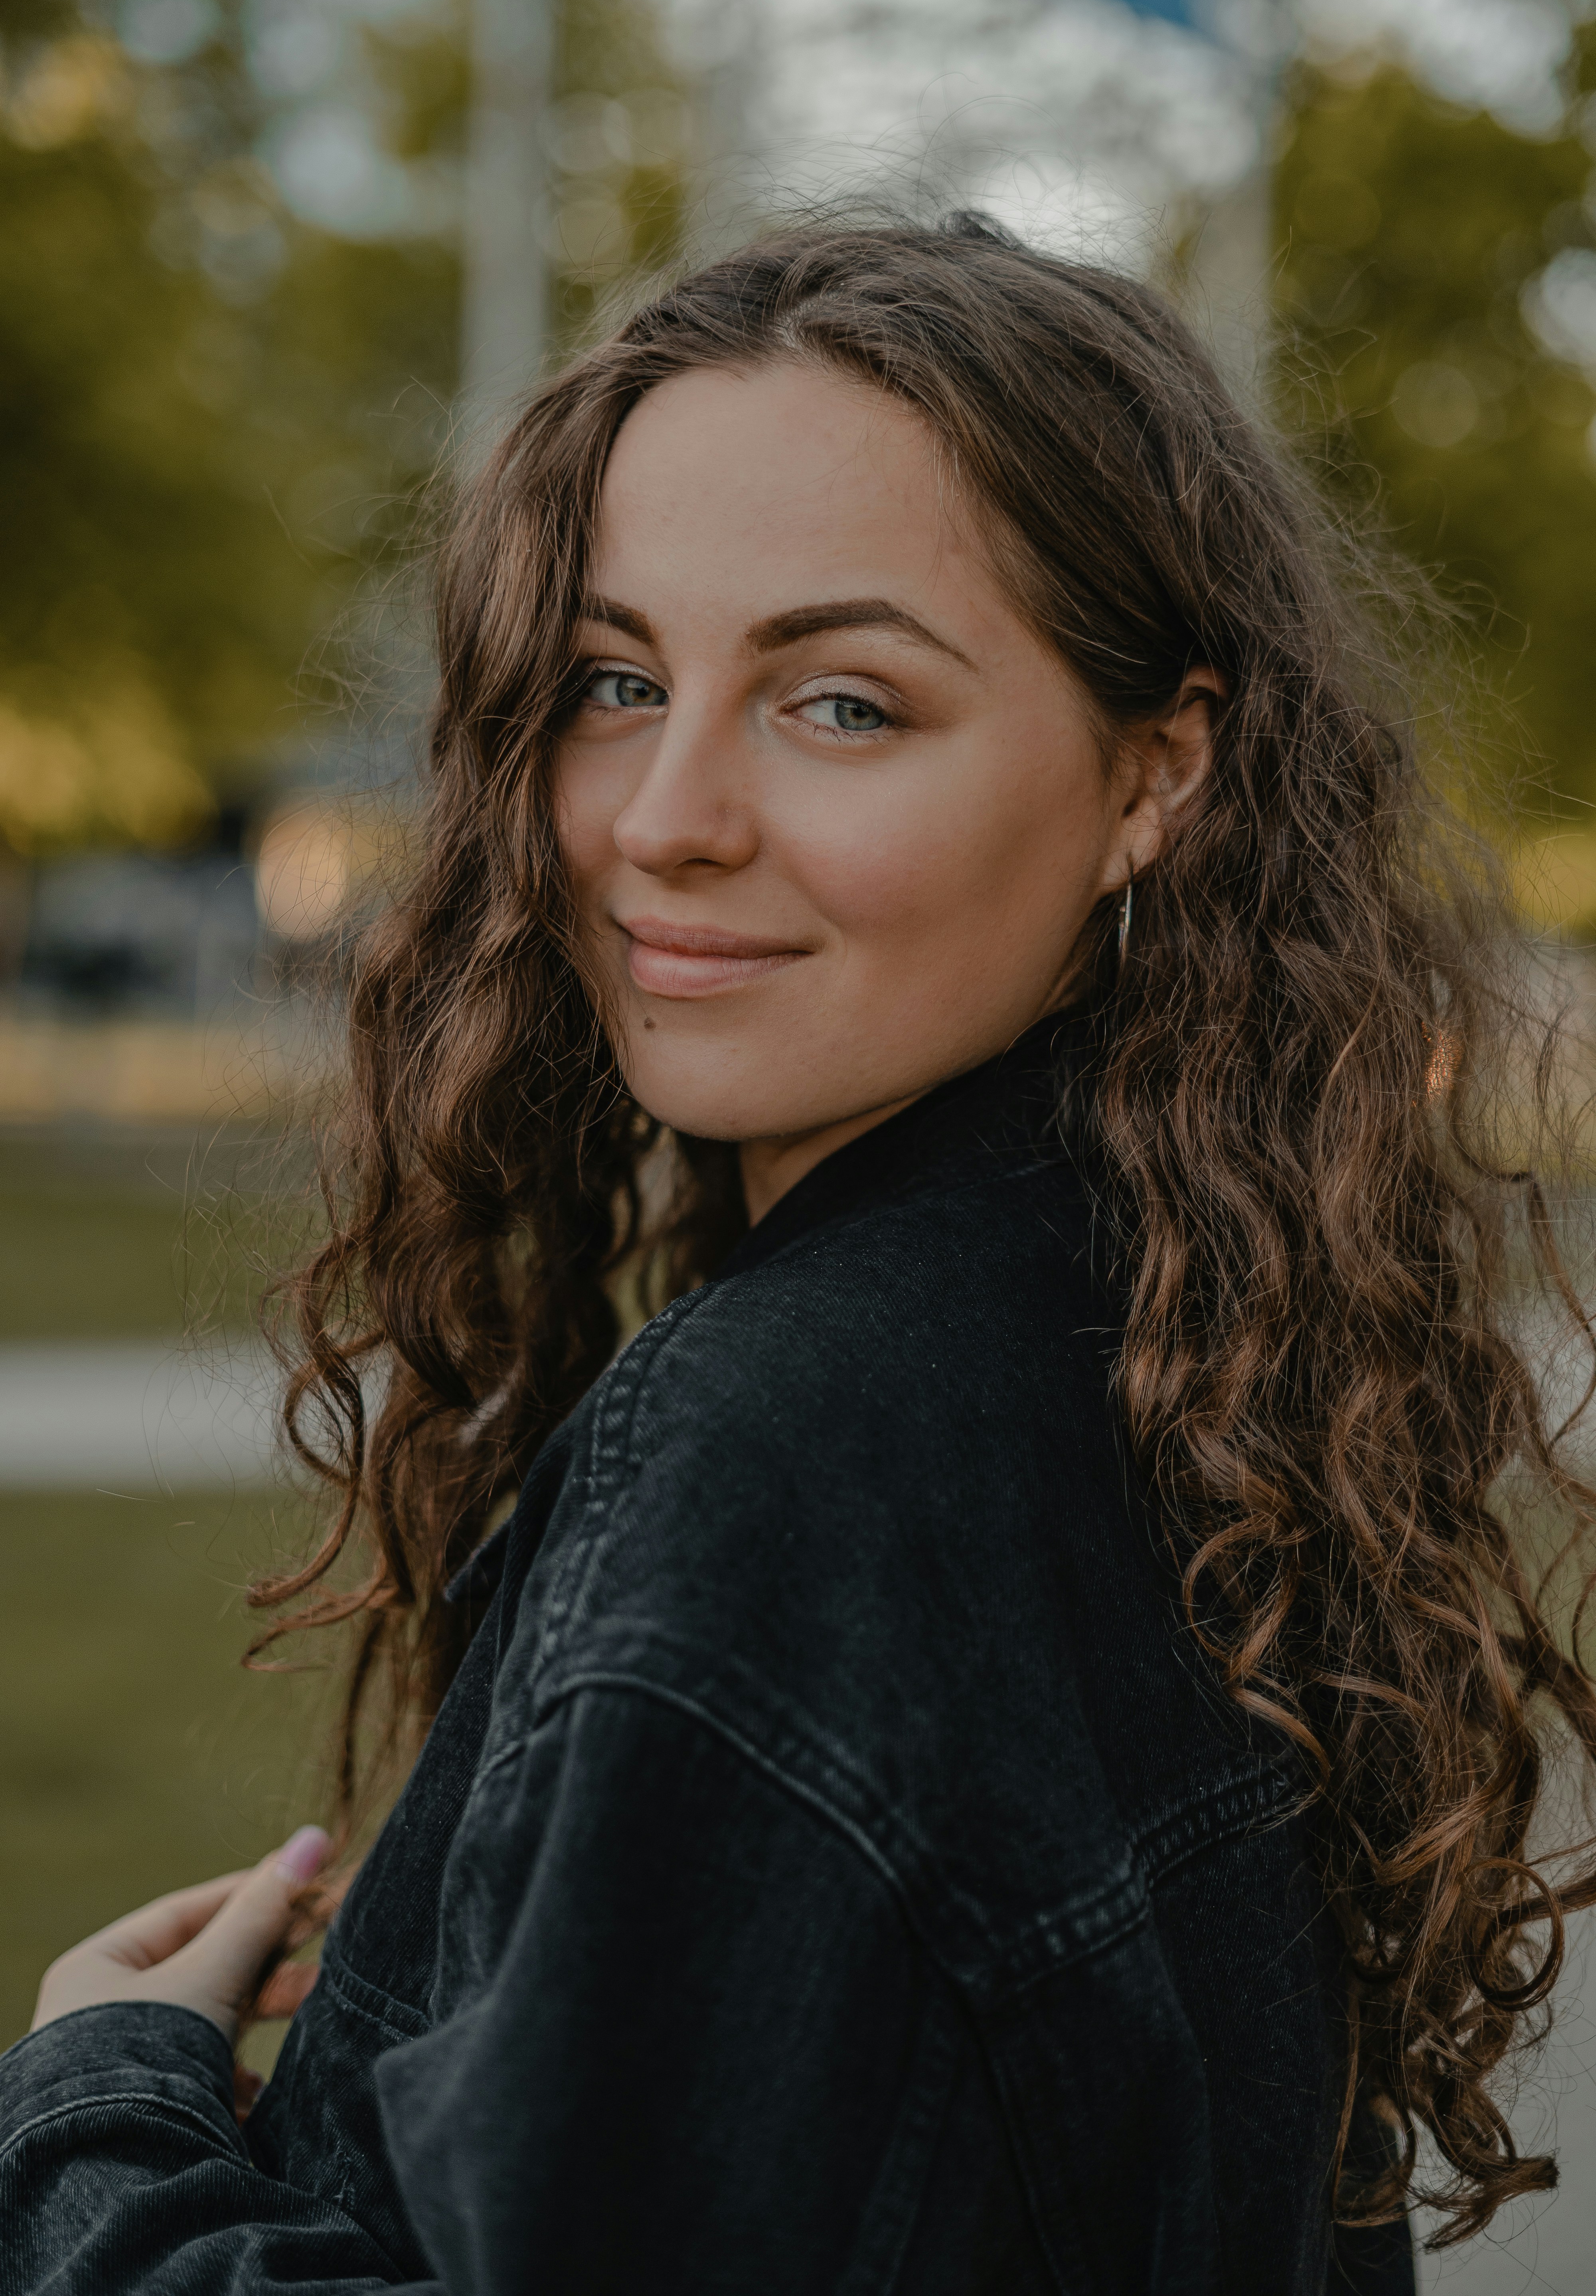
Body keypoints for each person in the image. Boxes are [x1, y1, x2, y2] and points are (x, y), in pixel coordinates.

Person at [4, 216, 1592, 2294]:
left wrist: (94, 2120)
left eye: (842, 704)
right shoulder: (1176, 1341)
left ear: (1158, 771)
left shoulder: (793, 1447)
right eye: (613, 681)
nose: (665, 815)